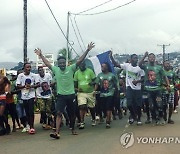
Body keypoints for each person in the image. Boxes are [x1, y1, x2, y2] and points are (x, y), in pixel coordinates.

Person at [34, 42, 95, 139]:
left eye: (63, 63)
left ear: (66, 63)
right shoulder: (56, 70)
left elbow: (80, 60)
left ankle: (73, 128)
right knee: (58, 113)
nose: (62, 64)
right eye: (60, 63)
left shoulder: (71, 68)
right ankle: (57, 133)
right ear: (58, 64)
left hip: (71, 95)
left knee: (72, 114)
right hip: (61, 96)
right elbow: (47, 63)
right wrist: (41, 55)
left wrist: (87, 50)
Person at [110, 52, 145, 125]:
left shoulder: (140, 68)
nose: (136, 59)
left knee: (138, 105)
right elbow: (116, 64)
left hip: (138, 89)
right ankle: (133, 115)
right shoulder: (127, 66)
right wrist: (111, 57)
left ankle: (138, 118)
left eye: (137, 58)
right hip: (129, 88)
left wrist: (137, 81)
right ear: (131, 59)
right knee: (129, 104)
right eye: (134, 58)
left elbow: (143, 79)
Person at [139, 52, 170, 125]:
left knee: (159, 104)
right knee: (151, 106)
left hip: (158, 90)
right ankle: (153, 118)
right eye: (150, 57)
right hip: (149, 91)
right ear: (148, 59)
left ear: (155, 58)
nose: (152, 58)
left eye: (153, 57)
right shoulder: (146, 66)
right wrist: (144, 56)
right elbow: (139, 65)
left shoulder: (159, 67)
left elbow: (164, 76)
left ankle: (161, 117)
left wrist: (168, 85)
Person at [16, 63, 38, 134]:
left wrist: (31, 86)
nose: (29, 68)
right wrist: (24, 86)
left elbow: (38, 84)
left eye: (30, 67)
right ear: (24, 68)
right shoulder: (20, 76)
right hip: (24, 96)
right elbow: (18, 86)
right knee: (27, 112)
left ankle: (32, 126)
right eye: (27, 67)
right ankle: (28, 124)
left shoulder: (33, 75)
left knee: (31, 111)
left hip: (31, 96)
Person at [74, 61, 96, 129]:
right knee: (82, 106)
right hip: (81, 93)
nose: (81, 66)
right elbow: (74, 84)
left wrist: (92, 84)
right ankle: (82, 122)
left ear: (85, 65)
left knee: (91, 107)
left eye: (82, 65)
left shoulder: (90, 71)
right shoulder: (77, 73)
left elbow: (95, 81)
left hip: (90, 92)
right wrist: (77, 89)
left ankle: (93, 118)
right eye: (80, 65)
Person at [95, 63, 117, 128]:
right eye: (101, 66)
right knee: (104, 108)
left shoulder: (112, 75)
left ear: (107, 67)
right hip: (102, 95)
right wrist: (94, 91)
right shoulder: (99, 75)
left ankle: (108, 122)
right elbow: (96, 83)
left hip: (110, 94)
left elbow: (116, 83)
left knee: (109, 108)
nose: (102, 67)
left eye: (103, 66)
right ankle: (107, 116)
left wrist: (117, 92)